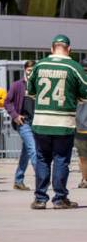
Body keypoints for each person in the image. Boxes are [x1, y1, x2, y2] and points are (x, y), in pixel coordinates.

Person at [27, 35, 87, 209]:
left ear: (52, 48)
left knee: (42, 159)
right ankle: (60, 198)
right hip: (63, 122)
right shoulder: (73, 67)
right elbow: (84, 93)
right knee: (61, 159)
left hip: (41, 121)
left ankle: (40, 198)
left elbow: (30, 92)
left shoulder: (39, 65)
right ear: (69, 49)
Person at [5, 61, 37, 191]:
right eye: (29, 70)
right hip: (23, 123)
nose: (31, 72)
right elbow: (7, 102)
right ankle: (42, 177)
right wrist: (15, 115)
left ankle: (18, 180)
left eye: (33, 70)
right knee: (33, 150)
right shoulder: (17, 85)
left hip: (37, 123)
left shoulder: (38, 85)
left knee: (26, 152)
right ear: (25, 70)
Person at [77, 57, 87, 189]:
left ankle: (85, 179)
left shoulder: (77, 83)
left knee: (83, 156)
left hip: (80, 126)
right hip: (81, 126)